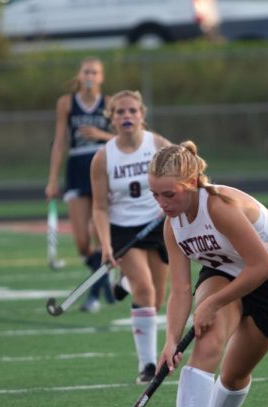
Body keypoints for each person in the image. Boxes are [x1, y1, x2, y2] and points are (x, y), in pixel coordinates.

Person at [149, 141, 268, 407]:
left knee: (233, 376)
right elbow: (181, 290)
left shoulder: (219, 207)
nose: (162, 204)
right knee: (208, 343)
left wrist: (212, 304)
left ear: (191, 183)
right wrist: (171, 339)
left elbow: (261, 267)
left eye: (168, 195)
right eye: (156, 195)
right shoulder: (172, 225)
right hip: (222, 273)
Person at [90, 90, 171, 383]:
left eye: (132, 111)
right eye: (121, 112)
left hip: (158, 226)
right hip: (123, 229)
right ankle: (147, 366)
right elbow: (99, 206)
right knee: (146, 291)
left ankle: (124, 282)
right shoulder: (103, 157)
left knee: (156, 300)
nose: (127, 116)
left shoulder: (158, 145)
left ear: (142, 115)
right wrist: (106, 245)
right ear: (111, 119)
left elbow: (184, 170)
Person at [45, 57, 115, 313]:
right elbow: (60, 141)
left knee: (100, 237)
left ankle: (93, 297)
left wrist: (102, 135)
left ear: (101, 77)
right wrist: (52, 179)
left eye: (95, 72)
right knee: (82, 243)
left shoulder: (109, 104)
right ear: (79, 74)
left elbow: (127, 137)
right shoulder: (66, 103)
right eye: (86, 71)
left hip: (102, 167)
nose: (90, 76)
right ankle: (104, 278)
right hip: (75, 169)